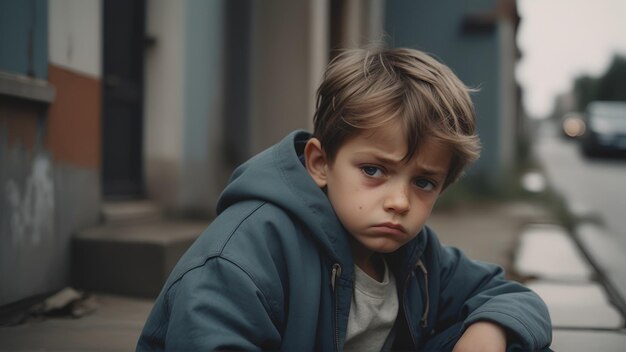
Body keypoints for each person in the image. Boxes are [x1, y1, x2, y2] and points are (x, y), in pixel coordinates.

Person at [137, 47, 552, 351]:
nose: (400, 202)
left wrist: (488, 334)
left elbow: (511, 296)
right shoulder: (245, 254)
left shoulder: (418, 256)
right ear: (320, 163)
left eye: (424, 182)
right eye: (374, 171)